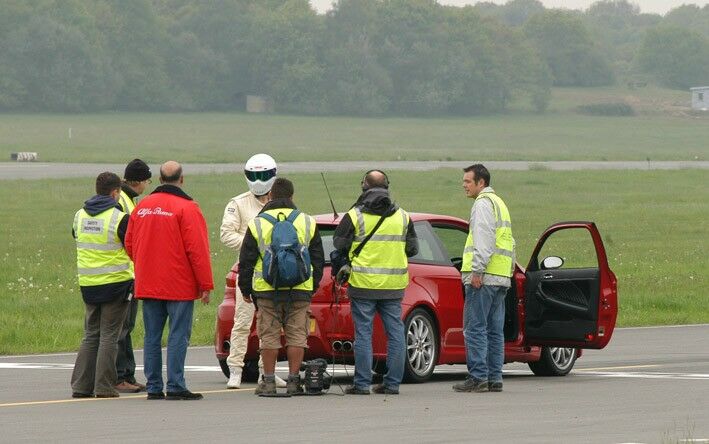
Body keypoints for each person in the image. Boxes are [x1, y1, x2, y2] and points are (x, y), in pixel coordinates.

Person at [125, 161, 213, 401]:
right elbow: (198, 250)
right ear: (181, 179)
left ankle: (154, 386)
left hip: (149, 282)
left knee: (151, 336)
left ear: (160, 179)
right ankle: (175, 385)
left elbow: (130, 244)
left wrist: (145, 265)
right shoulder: (188, 208)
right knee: (177, 335)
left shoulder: (142, 207)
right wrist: (205, 284)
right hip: (179, 285)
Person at [333, 170, 418, 395]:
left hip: (363, 283)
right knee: (396, 333)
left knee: (363, 333)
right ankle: (392, 384)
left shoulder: (355, 215)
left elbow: (339, 243)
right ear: (387, 186)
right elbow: (413, 249)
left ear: (364, 187)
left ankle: (362, 384)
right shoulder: (403, 216)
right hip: (393, 286)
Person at [238, 178, 324, 396]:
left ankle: (268, 382)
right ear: (292, 197)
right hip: (299, 289)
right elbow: (317, 259)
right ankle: (294, 382)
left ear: (270, 196)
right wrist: (312, 285)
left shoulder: (257, 223)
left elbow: (246, 260)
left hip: (267, 290)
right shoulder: (307, 221)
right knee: (297, 336)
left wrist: (245, 288)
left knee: (268, 336)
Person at [221, 154, 285, 389]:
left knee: (271, 324)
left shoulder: (279, 204)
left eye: (263, 176)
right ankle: (235, 369)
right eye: (254, 176)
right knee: (242, 321)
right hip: (247, 271)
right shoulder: (237, 203)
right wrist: (253, 244)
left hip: (273, 273)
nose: (258, 181)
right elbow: (226, 234)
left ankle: (266, 370)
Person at [70, 172, 133, 398]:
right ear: (115, 192)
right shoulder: (119, 218)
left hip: (88, 283)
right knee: (109, 336)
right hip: (116, 284)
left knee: (90, 335)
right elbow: (133, 248)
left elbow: (77, 238)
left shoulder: (80, 214)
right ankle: (104, 386)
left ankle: (81, 386)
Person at [453, 164, 514, 393]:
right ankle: (494, 377)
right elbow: (510, 241)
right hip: (499, 277)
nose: (464, 185)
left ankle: (478, 377)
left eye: (468, 181)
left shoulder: (482, 205)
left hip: (484, 277)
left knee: (475, 328)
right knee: (494, 330)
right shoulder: (500, 204)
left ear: (481, 183)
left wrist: (477, 271)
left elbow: (484, 239)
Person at [115, 158, 152, 394]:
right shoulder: (124, 203)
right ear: (138, 181)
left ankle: (127, 373)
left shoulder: (126, 199)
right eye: (147, 180)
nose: (147, 185)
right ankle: (121, 376)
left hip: (124, 272)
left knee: (125, 327)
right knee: (123, 327)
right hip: (123, 273)